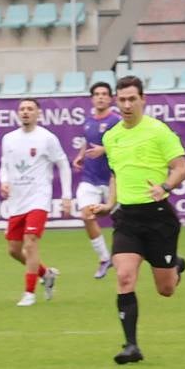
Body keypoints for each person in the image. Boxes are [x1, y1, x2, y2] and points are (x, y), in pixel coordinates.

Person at [84, 75, 185, 364]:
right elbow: (117, 174)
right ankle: (131, 346)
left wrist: (165, 187)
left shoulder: (159, 131)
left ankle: (175, 265)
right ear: (117, 102)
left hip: (158, 218)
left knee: (165, 289)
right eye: (123, 99)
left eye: (133, 99)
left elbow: (181, 168)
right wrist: (109, 204)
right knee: (124, 276)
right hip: (127, 218)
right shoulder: (112, 136)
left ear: (143, 100)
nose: (127, 104)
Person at [0, 98, 72, 306]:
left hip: (38, 198)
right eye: (22, 109)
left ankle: (29, 293)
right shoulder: (9, 139)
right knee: (14, 249)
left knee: (30, 241)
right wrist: (4, 182)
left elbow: (63, 164)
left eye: (30, 109)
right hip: (17, 201)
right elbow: (5, 164)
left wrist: (66, 196)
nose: (25, 112)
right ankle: (46, 273)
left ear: (38, 113)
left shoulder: (47, 138)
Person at [71, 81, 121, 278]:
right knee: (86, 215)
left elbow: (124, 144)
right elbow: (87, 141)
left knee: (125, 222)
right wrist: (81, 155)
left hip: (112, 179)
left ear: (110, 98)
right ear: (92, 98)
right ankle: (104, 258)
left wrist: (104, 149)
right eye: (97, 94)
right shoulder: (88, 121)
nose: (100, 97)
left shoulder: (116, 121)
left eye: (104, 94)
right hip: (90, 179)